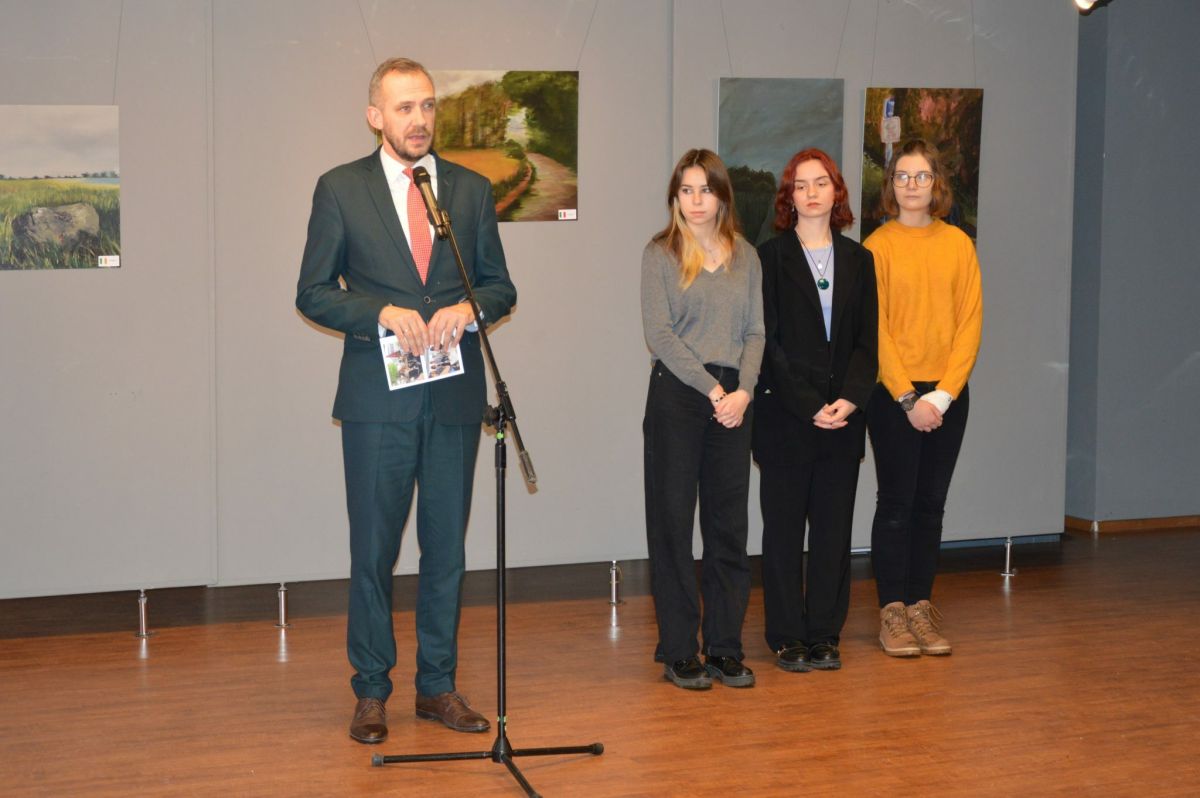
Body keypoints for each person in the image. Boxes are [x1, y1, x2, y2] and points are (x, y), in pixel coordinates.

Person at [296, 57, 517, 743]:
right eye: (403, 108)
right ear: (375, 117)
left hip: (453, 398)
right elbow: (313, 291)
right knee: (373, 551)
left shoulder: (470, 191)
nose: (418, 120)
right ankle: (371, 690)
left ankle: (437, 687)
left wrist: (469, 311)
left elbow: (500, 286)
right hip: (377, 403)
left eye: (426, 106)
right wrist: (380, 313)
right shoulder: (341, 188)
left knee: (446, 550)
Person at [641, 149, 764, 690]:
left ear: (721, 196)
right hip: (679, 396)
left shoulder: (747, 256)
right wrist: (714, 390)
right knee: (672, 525)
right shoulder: (660, 253)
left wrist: (743, 393)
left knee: (728, 527)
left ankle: (724, 647)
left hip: (734, 401)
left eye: (705, 190)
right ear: (676, 197)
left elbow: (756, 332)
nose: (696, 201)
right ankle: (678, 650)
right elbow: (660, 335)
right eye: (686, 190)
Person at [753, 148, 877, 673]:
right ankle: (786, 636)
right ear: (789, 196)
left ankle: (825, 633)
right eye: (800, 185)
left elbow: (867, 343)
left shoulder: (859, 260)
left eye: (820, 183)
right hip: (786, 418)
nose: (810, 193)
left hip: (843, 420)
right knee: (783, 534)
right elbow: (768, 344)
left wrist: (849, 399)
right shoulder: (767, 258)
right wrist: (810, 406)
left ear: (836, 192)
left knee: (832, 533)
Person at [863, 139, 982, 657]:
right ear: (891, 185)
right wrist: (910, 400)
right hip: (894, 396)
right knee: (896, 504)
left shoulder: (958, 244)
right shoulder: (876, 247)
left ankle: (920, 608)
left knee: (931, 506)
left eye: (922, 176)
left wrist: (945, 395)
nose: (912, 185)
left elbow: (970, 323)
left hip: (949, 396)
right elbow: (876, 330)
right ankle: (892, 612)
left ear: (937, 185)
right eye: (903, 176)